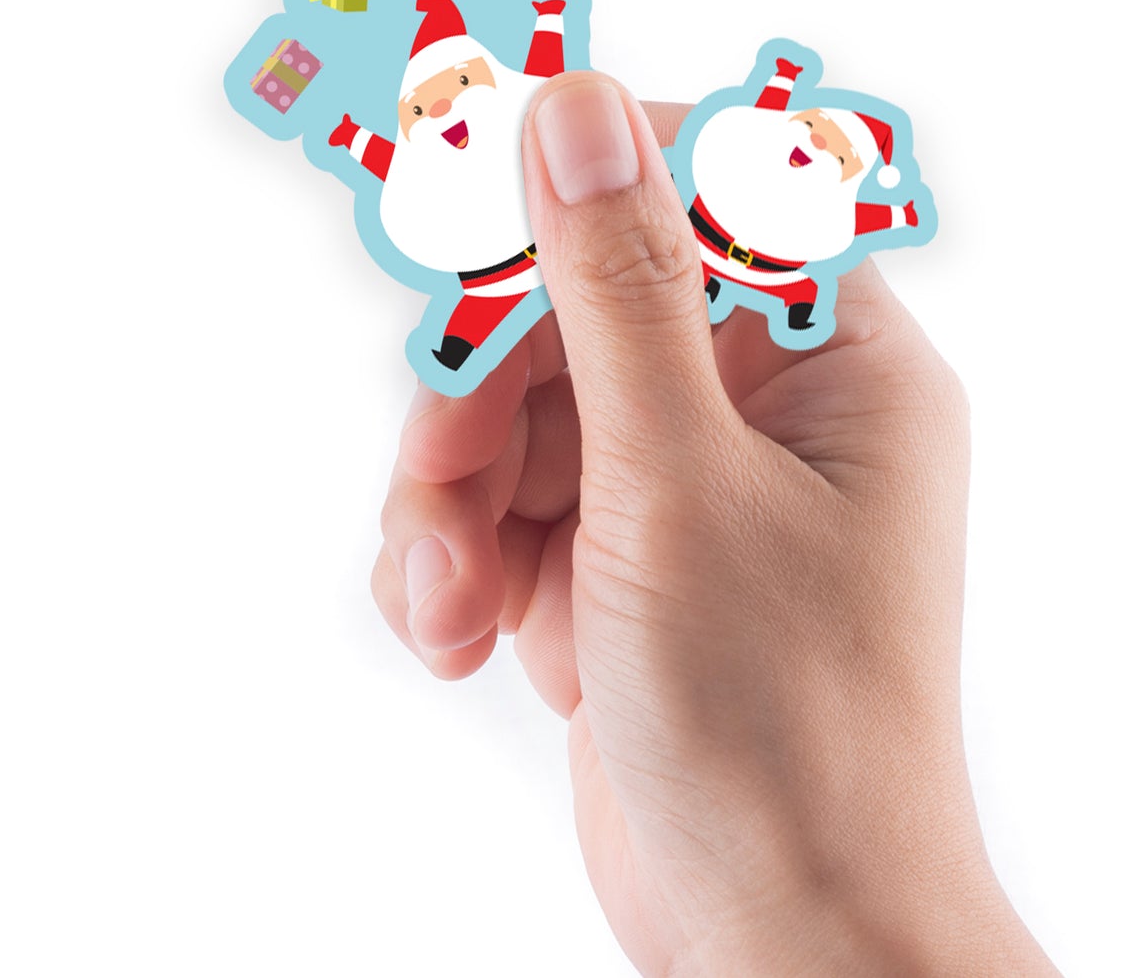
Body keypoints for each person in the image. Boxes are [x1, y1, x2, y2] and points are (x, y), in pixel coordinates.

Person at [372, 71, 1058, 976]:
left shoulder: (800, 226)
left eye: (835, 151)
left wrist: (797, 906)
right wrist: (791, 910)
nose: (817, 147)